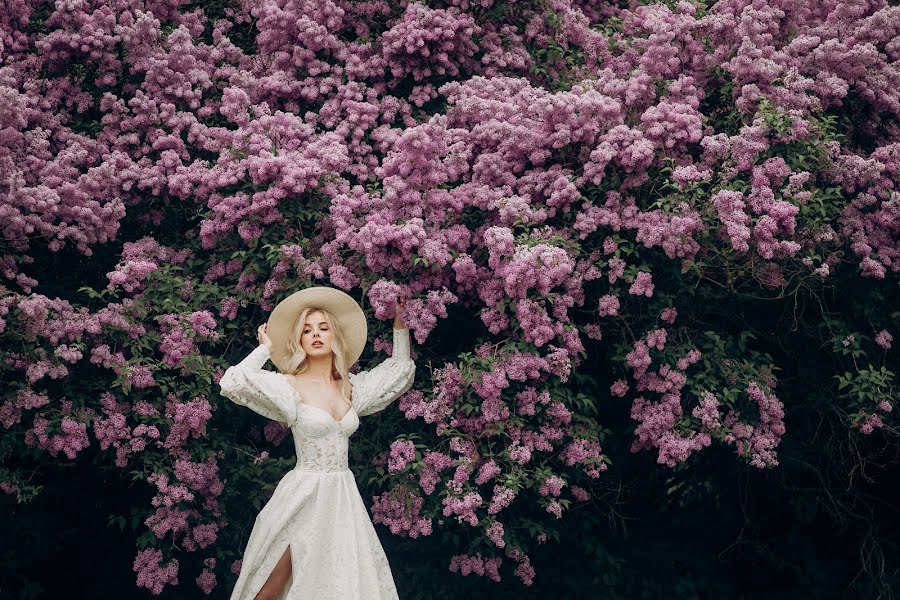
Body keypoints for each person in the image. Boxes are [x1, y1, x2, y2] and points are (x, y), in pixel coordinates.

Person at [219, 286, 416, 600]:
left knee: (340, 585)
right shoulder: (290, 386)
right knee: (269, 591)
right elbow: (233, 381)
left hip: (341, 498)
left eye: (324, 328)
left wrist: (400, 325)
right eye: (307, 330)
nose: (316, 334)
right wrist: (265, 350)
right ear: (299, 340)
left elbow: (400, 372)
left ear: (336, 336)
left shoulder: (352, 388)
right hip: (303, 496)